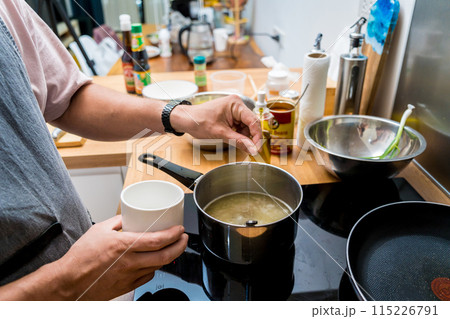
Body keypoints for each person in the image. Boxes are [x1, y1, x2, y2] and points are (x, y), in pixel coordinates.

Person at [0, 0, 261, 300]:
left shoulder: (8, 6)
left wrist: (181, 116)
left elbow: (68, 98)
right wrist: (66, 282)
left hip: (92, 268)